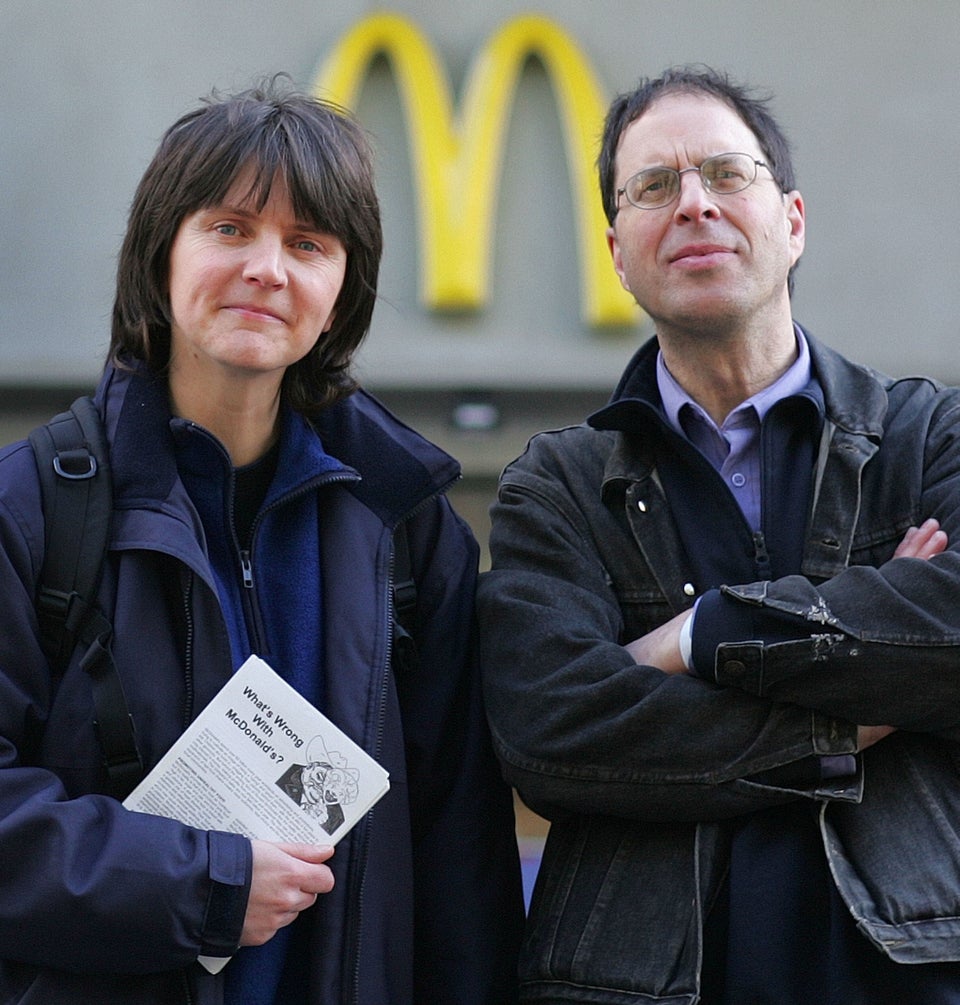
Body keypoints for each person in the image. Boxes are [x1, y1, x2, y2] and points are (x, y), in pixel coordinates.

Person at [0, 78, 523, 1004]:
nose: (267, 269)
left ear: (340, 292)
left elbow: (460, 855)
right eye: (230, 228)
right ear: (160, 254)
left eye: (307, 244)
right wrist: (204, 884)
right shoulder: (34, 509)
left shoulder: (409, 525)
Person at [477, 64, 960, 1004]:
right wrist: (860, 707)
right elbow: (551, 733)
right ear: (617, 251)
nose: (693, 204)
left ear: (793, 220)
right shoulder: (557, 485)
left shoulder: (926, 436)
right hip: (636, 984)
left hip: (911, 971)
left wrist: (693, 641)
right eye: (655, 186)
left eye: (727, 174)